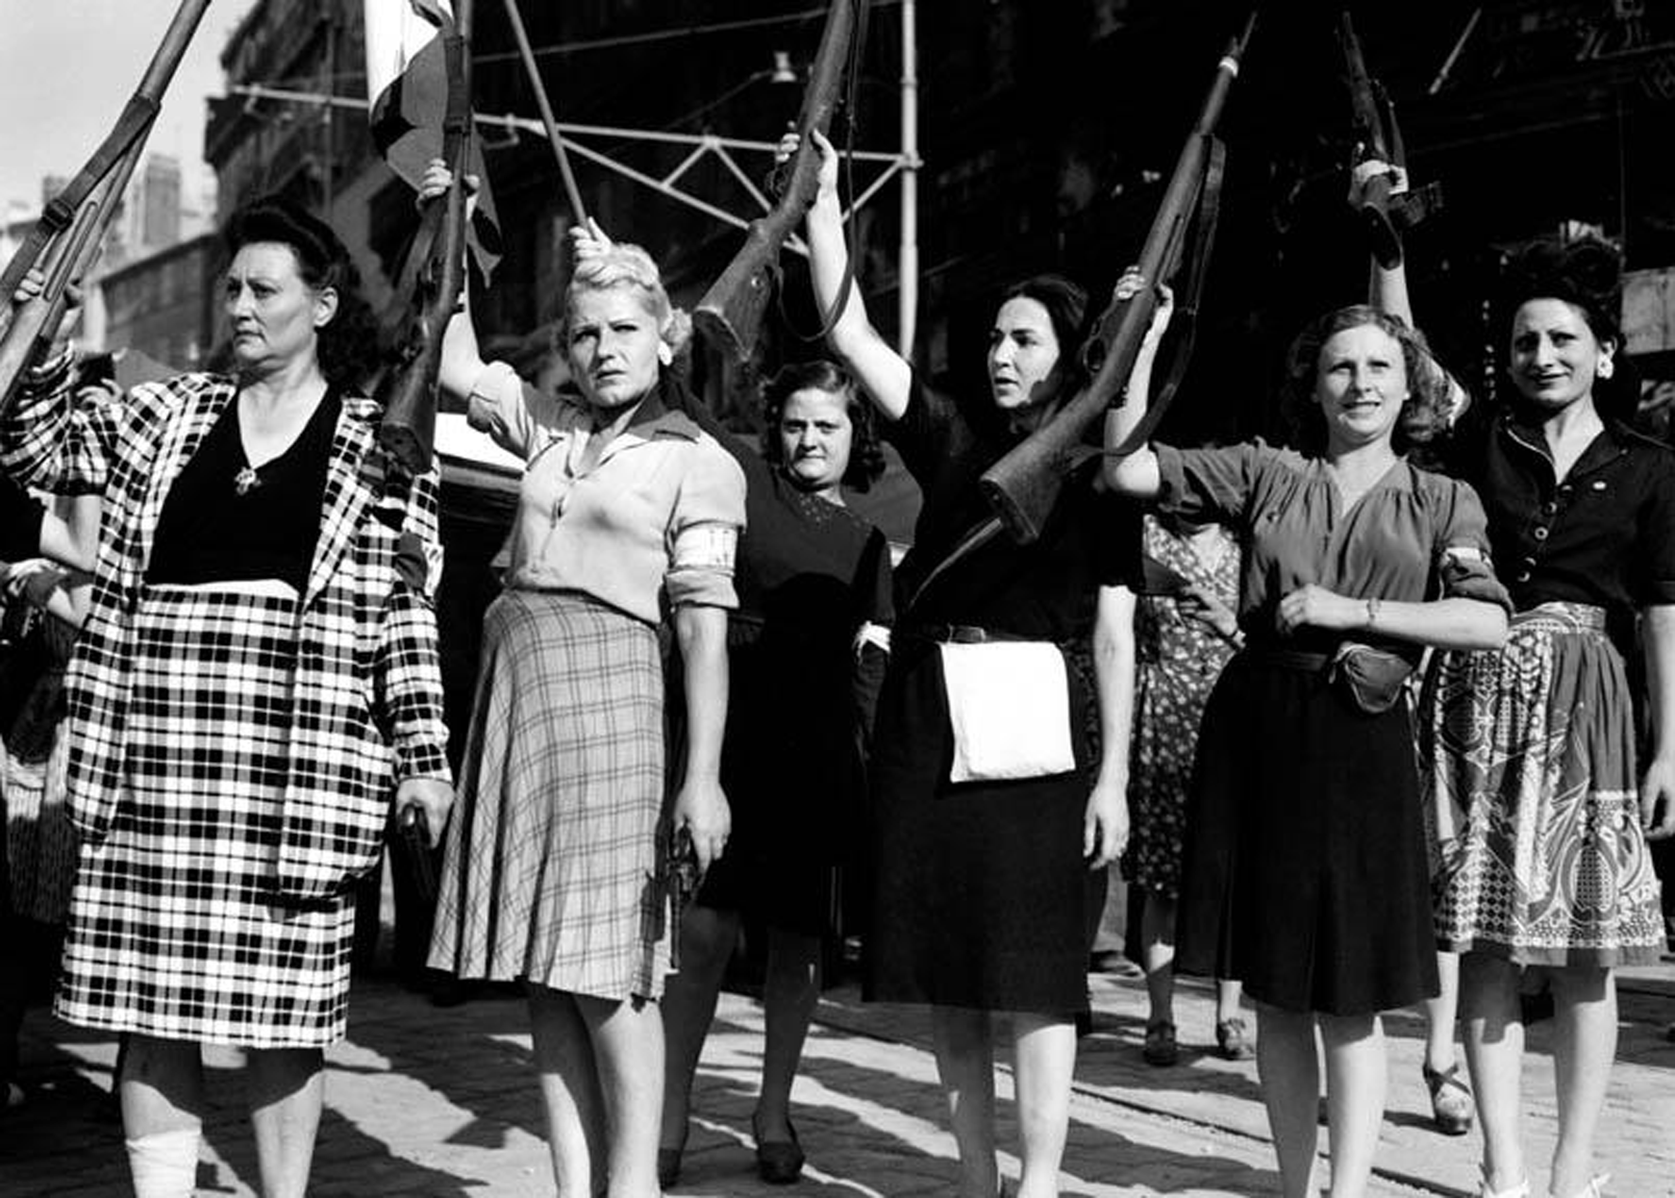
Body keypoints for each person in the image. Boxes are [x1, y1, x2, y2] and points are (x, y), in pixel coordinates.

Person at [0, 198, 454, 1198]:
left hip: (298, 768)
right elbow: (34, 449)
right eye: (233, 288)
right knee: (150, 1008)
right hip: (151, 757)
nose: (241, 306)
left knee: (285, 1019)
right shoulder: (163, 414)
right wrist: (47, 334)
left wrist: (423, 757)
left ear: (323, 305)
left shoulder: (386, 445)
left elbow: (405, 615)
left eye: (265, 289)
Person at [791, 127, 1140, 1198]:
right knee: (947, 966)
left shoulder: (1103, 471)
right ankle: (977, 1174)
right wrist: (823, 202)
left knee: (1038, 972)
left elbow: (1115, 632)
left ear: (1071, 353)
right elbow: (848, 331)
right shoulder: (944, 431)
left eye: (1025, 339)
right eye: (994, 336)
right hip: (926, 721)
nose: (1001, 354)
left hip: (1043, 733)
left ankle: (1038, 1181)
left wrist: (1114, 778)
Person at [1103, 282, 1510, 1198]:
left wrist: (1352, 610)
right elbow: (1125, 472)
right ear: (1312, 386)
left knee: (1349, 996)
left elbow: (1486, 623)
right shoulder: (1266, 471)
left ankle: (1349, 1188)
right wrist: (1140, 340)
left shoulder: (1442, 498)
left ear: (1409, 386)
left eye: (1379, 367)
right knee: (1276, 988)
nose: (1360, 383)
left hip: (1363, 740)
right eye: (1340, 367)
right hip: (1261, 733)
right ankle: (1295, 1185)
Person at [425, 202, 746, 1198]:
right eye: (585, 333)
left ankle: (633, 1185)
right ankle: (575, 1185)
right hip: (520, 712)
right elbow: (452, 358)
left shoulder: (699, 461)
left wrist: (702, 779)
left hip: (615, 713)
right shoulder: (550, 435)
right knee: (545, 969)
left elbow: (702, 631)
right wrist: (451, 215)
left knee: (609, 972)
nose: (605, 349)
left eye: (625, 329)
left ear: (666, 338)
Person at [1423, 236, 1675, 1198]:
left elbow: (1661, 614)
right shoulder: (1477, 441)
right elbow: (1406, 355)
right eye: (1525, 341)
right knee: (1487, 946)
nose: (1542, 356)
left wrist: (1668, 749)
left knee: (1584, 952)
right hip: (1476, 700)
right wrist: (1388, 244)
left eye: (1563, 339)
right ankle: (1504, 1167)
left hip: (1586, 710)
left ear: (1602, 353)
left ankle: (1572, 1170)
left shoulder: (1649, 466)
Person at [658, 358, 893, 1188]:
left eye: (827, 425)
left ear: (855, 435)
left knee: (798, 946)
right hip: (732, 738)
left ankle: (772, 1111)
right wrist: (674, 342)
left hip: (817, 756)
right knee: (703, 934)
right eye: (795, 424)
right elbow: (681, 400)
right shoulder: (745, 482)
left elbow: (872, 669)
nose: (809, 440)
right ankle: (669, 1113)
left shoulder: (869, 544)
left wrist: (869, 774)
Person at [1121, 511, 1250, 1066]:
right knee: (1161, 882)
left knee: (1232, 876)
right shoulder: (1145, 535)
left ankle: (1230, 1012)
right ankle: (1161, 1015)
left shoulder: (1246, 546)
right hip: (1163, 713)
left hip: (1232, 712)